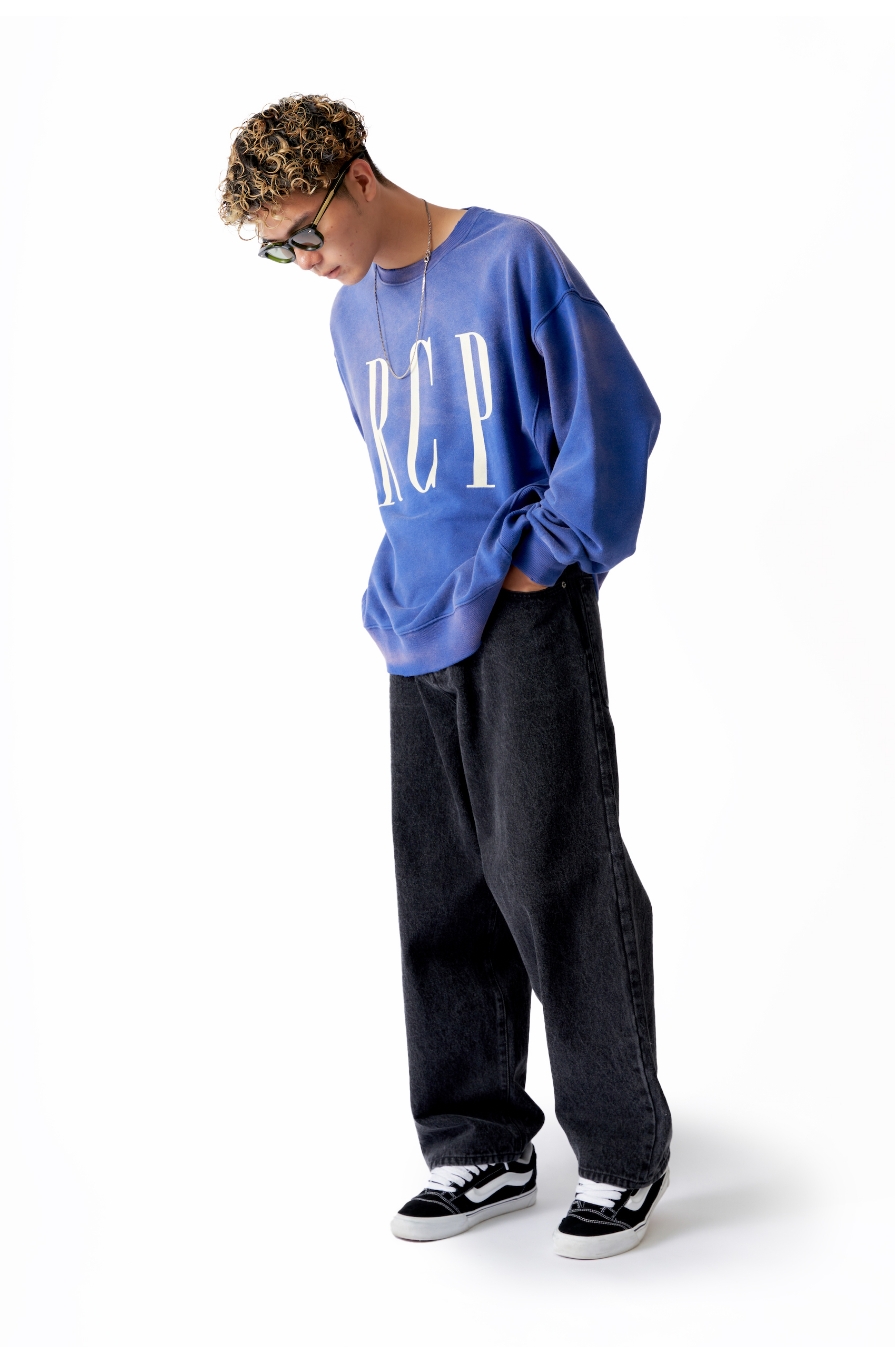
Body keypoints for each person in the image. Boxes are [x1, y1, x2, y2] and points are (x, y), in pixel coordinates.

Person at [219, 95, 671, 1260]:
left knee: (554, 869)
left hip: (522, 613)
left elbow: (617, 415)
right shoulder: (347, 318)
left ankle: (622, 1147)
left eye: (307, 231)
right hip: (415, 623)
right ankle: (479, 1138)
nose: (304, 261)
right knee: (442, 886)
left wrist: (543, 558)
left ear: (359, 177)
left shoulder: (513, 258)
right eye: (278, 250)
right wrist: (400, 587)